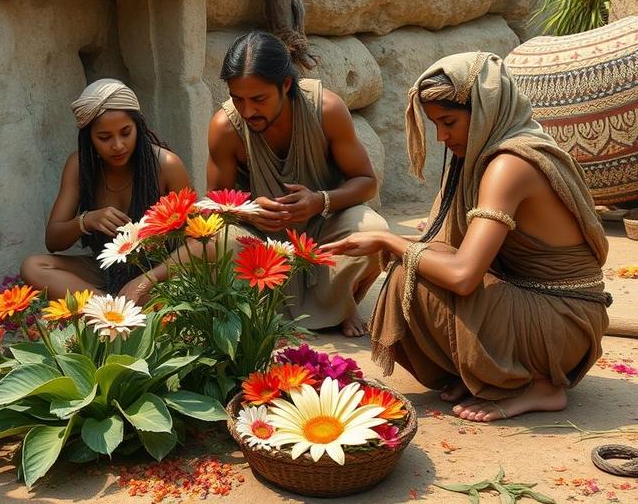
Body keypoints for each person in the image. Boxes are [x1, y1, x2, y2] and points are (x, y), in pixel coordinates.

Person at [322, 51, 611, 423]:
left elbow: (463, 276)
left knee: (409, 276)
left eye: (449, 122)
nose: (442, 137)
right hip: (540, 305)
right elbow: (447, 249)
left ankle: (541, 386)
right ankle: (483, 375)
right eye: (434, 125)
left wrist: (388, 241)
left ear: (486, 109)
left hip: (563, 323)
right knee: (419, 263)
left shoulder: (510, 165)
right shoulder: (481, 157)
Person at [207, 31, 389, 336]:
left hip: (323, 230)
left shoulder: (326, 110)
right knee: (215, 241)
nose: (248, 110)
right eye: (238, 99)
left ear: (286, 85)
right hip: (262, 245)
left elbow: (366, 182)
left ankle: (342, 303)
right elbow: (215, 206)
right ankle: (277, 313)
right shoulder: (225, 127)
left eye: (259, 99)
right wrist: (250, 210)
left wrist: (320, 201)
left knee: (374, 231)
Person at [21, 78, 192, 302]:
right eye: (104, 138)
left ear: (138, 128)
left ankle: (115, 312)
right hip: (107, 270)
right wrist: (87, 220)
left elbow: (194, 244)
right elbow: (53, 240)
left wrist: (148, 279)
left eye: (125, 132)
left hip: (158, 274)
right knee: (33, 267)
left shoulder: (167, 165)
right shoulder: (79, 166)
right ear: (89, 139)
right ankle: (109, 310)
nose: (118, 145)